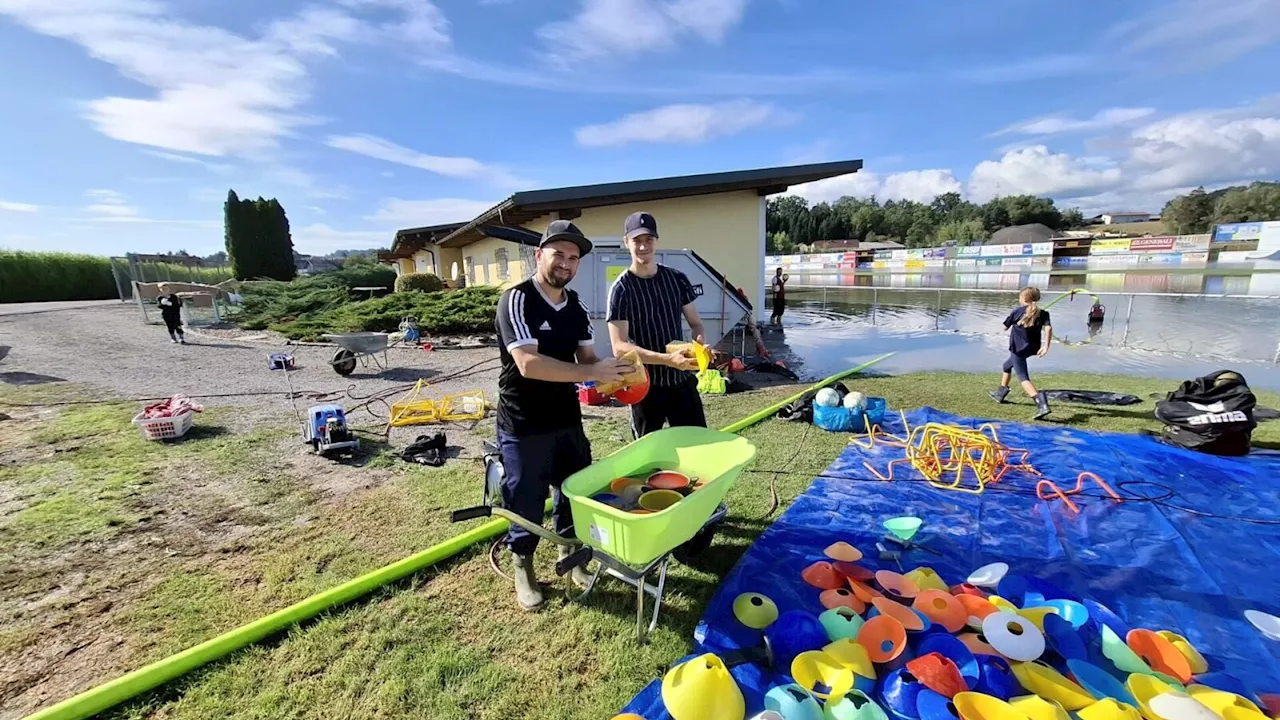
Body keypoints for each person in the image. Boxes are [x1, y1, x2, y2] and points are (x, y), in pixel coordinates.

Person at [494, 219, 632, 611]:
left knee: (575, 491)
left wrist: (616, 375)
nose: (566, 264)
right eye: (559, 254)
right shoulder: (517, 299)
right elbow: (528, 364)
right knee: (526, 498)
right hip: (523, 422)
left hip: (566, 419)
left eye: (574, 258)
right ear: (540, 255)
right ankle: (523, 565)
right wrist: (591, 373)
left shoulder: (577, 307)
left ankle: (570, 558)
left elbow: (588, 359)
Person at [607, 211, 708, 438]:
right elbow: (619, 347)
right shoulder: (621, 290)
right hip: (644, 386)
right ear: (626, 243)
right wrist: (667, 360)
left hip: (681, 383)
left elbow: (696, 324)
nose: (643, 247)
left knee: (697, 446)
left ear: (656, 241)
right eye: (637, 241)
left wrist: (699, 346)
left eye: (648, 240)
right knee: (647, 459)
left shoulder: (677, 279)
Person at [988, 286, 1053, 419]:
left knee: (1023, 377)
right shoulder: (1044, 313)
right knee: (1007, 366)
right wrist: (1046, 346)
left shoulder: (1017, 312)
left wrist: (1000, 328)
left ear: (1024, 298)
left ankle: (1041, 404)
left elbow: (1005, 327)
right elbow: (1048, 328)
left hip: (1018, 349)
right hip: (1032, 348)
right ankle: (1000, 393)